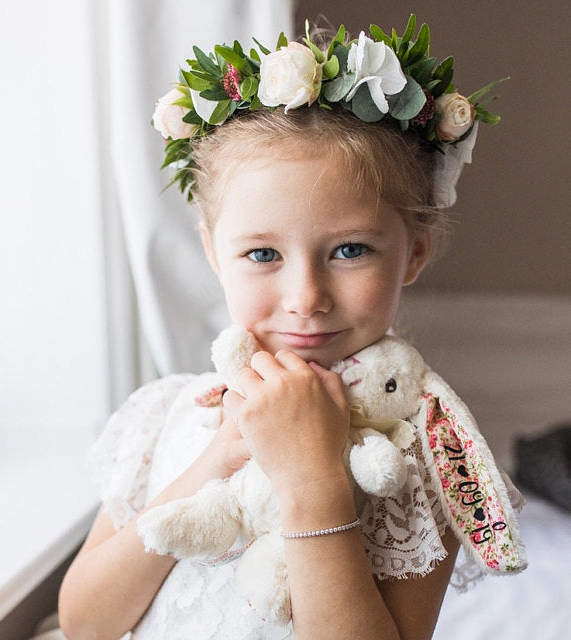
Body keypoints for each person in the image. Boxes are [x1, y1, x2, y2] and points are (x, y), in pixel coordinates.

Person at [58, 15, 525, 640]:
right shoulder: (170, 415)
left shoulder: (417, 455)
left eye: (351, 250)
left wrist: (311, 479)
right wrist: (221, 455)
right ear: (213, 254)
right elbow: (84, 623)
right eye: (262, 254)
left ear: (413, 252)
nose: (305, 298)